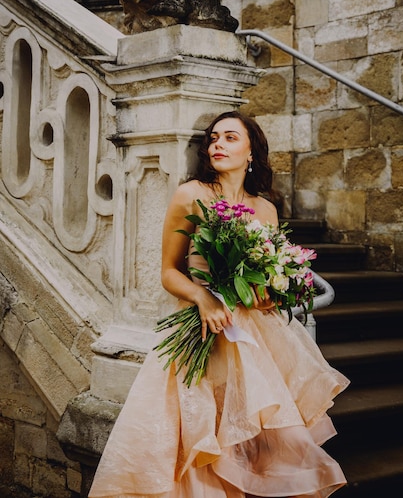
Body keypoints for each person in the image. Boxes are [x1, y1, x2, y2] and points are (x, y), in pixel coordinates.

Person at [88, 111, 349, 498]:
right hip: (202, 327)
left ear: (251, 153)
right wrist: (203, 297)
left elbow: (265, 279)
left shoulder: (266, 210)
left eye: (229, 138)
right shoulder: (191, 194)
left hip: (254, 338)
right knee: (198, 437)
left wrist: (265, 297)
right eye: (213, 139)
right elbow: (168, 272)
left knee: (253, 441)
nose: (217, 145)